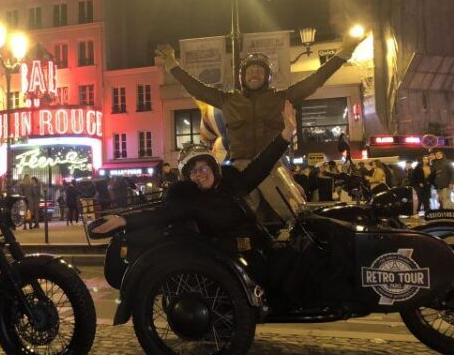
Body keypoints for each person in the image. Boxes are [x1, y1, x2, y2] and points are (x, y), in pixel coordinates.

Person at [156, 35, 365, 221]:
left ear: (267, 77)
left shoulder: (281, 98)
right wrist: (171, 63)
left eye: (259, 71)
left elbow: (315, 81)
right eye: (250, 71)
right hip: (240, 168)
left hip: (273, 165)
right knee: (241, 216)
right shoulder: (228, 100)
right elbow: (196, 87)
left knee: (292, 213)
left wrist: (343, 54)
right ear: (242, 77)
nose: (254, 74)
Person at [93, 101, 296, 264]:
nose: (199, 174)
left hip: (259, 247)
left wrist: (286, 135)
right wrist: (123, 220)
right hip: (235, 260)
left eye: (202, 169)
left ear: (213, 169)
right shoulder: (190, 200)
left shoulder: (232, 183)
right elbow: (160, 214)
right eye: (193, 173)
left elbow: (261, 166)